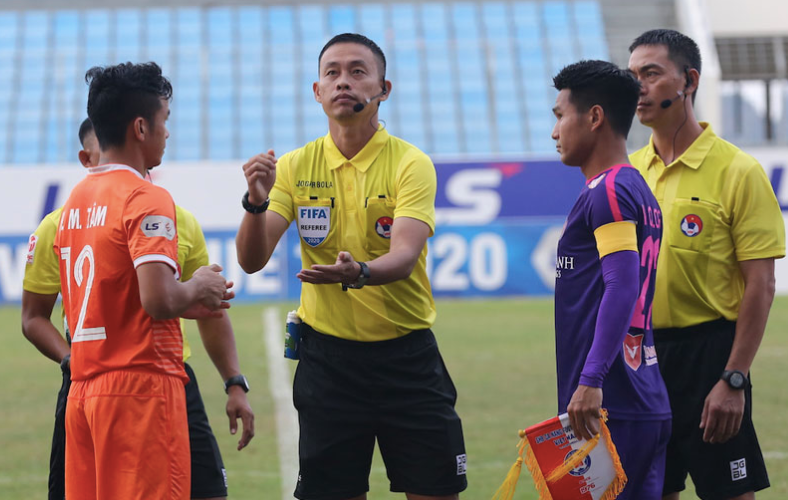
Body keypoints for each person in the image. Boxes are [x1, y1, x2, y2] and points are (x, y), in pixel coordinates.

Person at [235, 33, 467, 500]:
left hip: (407, 359)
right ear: (317, 91)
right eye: (332, 73)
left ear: (384, 89)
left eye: (358, 71)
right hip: (328, 363)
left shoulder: (410, 163)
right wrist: (255, 203)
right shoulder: (294, 166)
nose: (344, 81)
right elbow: (252, 260)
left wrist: (359, 272)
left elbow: (403, 257)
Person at [22, 118, 254, 500]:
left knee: (206, 491)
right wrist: (69, 359)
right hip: (106, 378)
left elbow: (208, 309)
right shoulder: (60, 223)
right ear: (87, 158)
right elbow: (33, 317)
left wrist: (234, 382)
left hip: (167, 375)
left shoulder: (177, 220)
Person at [53, 62, 233, 500]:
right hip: (140, 390)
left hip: (83, 391)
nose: (167, 133)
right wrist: (200, 286)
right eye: (164, 120)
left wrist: (184, 297)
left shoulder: (75, 200)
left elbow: (124, 294)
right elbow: (158, 299)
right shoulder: (145, 197)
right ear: (140, 127)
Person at [628, 29, 785, 500]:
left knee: (729, 493)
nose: (638, 87)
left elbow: (761, 285)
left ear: (689, 81)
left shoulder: (739, 171)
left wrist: (733, 378)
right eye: (632, 75)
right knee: (652, 491)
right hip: (642, 357)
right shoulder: (628, 172)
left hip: (711, 356)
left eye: (651, 74)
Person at [551, 60, 672, 499]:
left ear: (595, 117)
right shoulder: (633, 186)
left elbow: (622, 286)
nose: (554, 132)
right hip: (634, 398)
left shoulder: (610, 190)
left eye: (560, 116)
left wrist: (591, 380)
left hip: (612, 403)